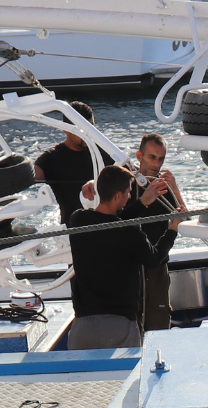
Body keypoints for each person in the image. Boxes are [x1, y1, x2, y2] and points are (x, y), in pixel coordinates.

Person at [66, 165, 179, 349]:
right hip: (119, 328)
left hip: (83, 328)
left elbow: (111, 224)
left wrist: (142, 203)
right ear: (118, 195)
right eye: (127, 192)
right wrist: (172, 230)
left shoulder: (78, 220)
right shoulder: (130, 233)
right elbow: (154, 258)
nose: (129, 196)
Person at [119, 133, 182, 332]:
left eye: (161, 158)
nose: (157, 164)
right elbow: (115, 219)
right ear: (139, 156)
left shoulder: (165, 186)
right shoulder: (125, 182)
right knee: (130, 321)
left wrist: (175, 189)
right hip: (130, 268)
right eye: (152, 157)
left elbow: (184, 216)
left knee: (159, 322)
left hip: (158, 265)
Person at [32, 101, 96, 220]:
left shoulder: (103, 151)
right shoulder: (51, 158)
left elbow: (126, 174)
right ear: (65, 129)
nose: (87, 134)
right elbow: (30, 177)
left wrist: (96, 182)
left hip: (106, 224)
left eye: (91, 127)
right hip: (72, 229)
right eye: (81, 129)